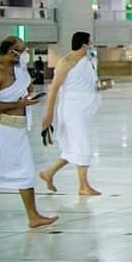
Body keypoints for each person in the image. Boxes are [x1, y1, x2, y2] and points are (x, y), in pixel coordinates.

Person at [0, 37, 58, 231]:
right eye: (21, 51)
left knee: (26, 172)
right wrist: (18, 104)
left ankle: (33, 217)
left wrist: (26, 94)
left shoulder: (18, 69)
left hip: (17, 131)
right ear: (12, 51)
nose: (24, 54)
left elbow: (25, 87)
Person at [39, 32, 102, 196]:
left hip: (85, 110)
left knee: (73, 148)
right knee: (83, 145)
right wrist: (48, 114)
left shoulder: (88, 61)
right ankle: (83, 186)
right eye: (90, 42)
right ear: (84, 45)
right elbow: (53, 89)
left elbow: (87, 83)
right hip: (73, 111)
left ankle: (48, 173)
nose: (92, 45)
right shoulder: (66, 62)